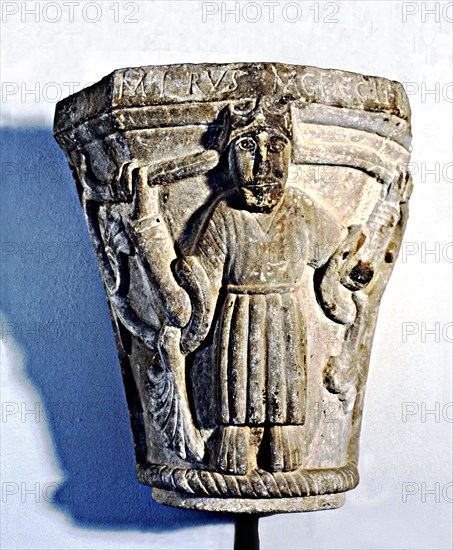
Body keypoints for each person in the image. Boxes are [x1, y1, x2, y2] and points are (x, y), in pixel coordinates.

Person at [175, 99, 346, 473]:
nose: (263, 165)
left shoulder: (300, 208)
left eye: (275, 147)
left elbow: (337, 255)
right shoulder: (223, 212)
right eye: (248, 148)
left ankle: (282, 434)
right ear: (228, 158)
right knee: (237, 372)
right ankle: (235, 434)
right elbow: (204, 276)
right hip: (239, 310)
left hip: (286, 310)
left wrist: (349, 275)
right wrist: (182, 280)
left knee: (286, 373)